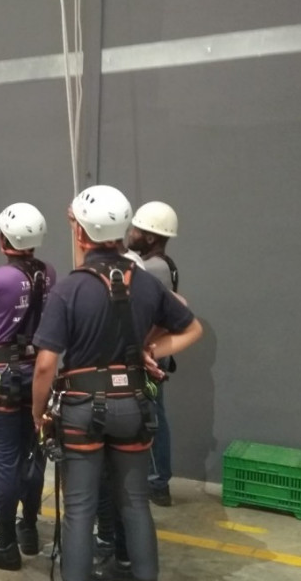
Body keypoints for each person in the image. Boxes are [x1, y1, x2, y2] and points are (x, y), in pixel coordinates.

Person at [31, 185, 203, 581]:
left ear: (80, 234)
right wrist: (152, 350)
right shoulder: (144, 283)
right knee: (135, 504)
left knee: (79, 508)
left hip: (81, 408)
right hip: (133, 406)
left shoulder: (69, 289)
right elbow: (191, 326)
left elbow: (45, 365)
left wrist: (38, 414)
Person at [0, 203, 57, 570]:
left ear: (3, 240)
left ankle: (5, 542)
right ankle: (29, 528)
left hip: (3, 377)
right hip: (39, 373)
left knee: (5, 461)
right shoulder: (49, 274)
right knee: (33, 453)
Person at [128, 201, 181, 508]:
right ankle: (156, 479)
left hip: (148, 355)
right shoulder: (164, 263)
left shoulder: (155, 268)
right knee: (153, 414)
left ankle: (157, 481)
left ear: (149, 237)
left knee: (151, 417)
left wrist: (142, 348)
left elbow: (160, 317)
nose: (130, 233)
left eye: (136, 230)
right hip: (153, 353)